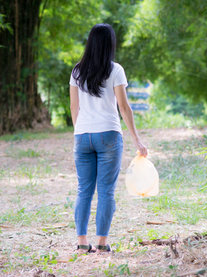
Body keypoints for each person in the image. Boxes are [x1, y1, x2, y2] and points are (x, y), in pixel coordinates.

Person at [69, 23, 147, 254]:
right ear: (110, 44)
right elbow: (124, 107)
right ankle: (102, 243)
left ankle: (82, 242)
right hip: (109, 136)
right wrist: (137, 140)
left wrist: (80, 132)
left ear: (90, 43)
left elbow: (74, 107)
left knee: (84, 190)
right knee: (105, 191)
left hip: (82, 136)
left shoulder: (77, 71)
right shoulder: (115, 70)